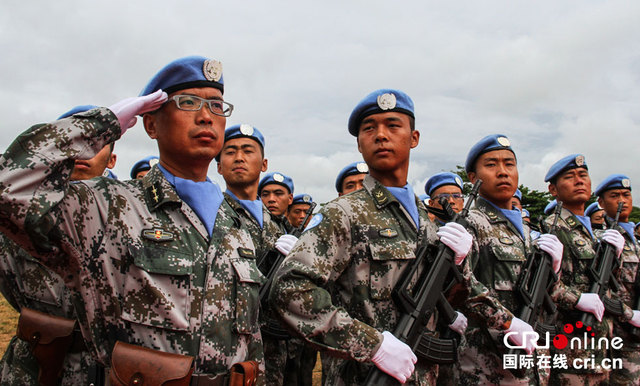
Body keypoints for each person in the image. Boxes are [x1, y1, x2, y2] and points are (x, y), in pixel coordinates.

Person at [0, 56, 264, 383]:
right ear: (150, 124)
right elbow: (8, 188)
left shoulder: (237, 224)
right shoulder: (107, 205)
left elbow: (250, 338)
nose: (206, 116)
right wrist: (102, 122)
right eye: (188, 102)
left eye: (216, 105)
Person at [271, 89, 473, 385]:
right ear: (359, 145)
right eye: (370, 128)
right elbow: (289, 288)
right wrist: (371, 344)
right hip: (362, 377)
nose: (381, 135)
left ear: (414, 138)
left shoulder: (428, 222)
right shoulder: (342, 213)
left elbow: (447, 299)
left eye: (393, 125)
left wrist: (460, 265)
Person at [0, 105, 116, 385]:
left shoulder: (134, 216)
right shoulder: (19, 214)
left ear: (112, 160)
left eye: (95, 144)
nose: (82, 153)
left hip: (112, 370)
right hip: (36, 367)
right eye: (74, 142)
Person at [455, 134, 562, 385]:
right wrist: (508, 322)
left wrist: (553, 272)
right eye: (491, 165)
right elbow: (462, 286)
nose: (503, 172)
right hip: (488, 366)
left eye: (509, 164)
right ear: (473, 178)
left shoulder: (526, 230)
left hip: (534, 363)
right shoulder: (470, 222)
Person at [544, 155, 633, 384]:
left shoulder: (596, 234)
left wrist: (617, 257)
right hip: (570, 349)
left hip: (601, 348)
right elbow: (544, 285)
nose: (579, 181)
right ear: (553, 189)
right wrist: (578, 299)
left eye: (583, 176)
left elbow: (610, 284)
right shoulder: (552, 228)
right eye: (570, 177)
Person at [594, 174, 640, 385]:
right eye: (615, 196)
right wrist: (630, 314)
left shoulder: (636, 242)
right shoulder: (600, 240)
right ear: (601, 203)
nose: (622, 200)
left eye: (626, 195)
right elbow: (598, 290)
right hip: (620, 338)